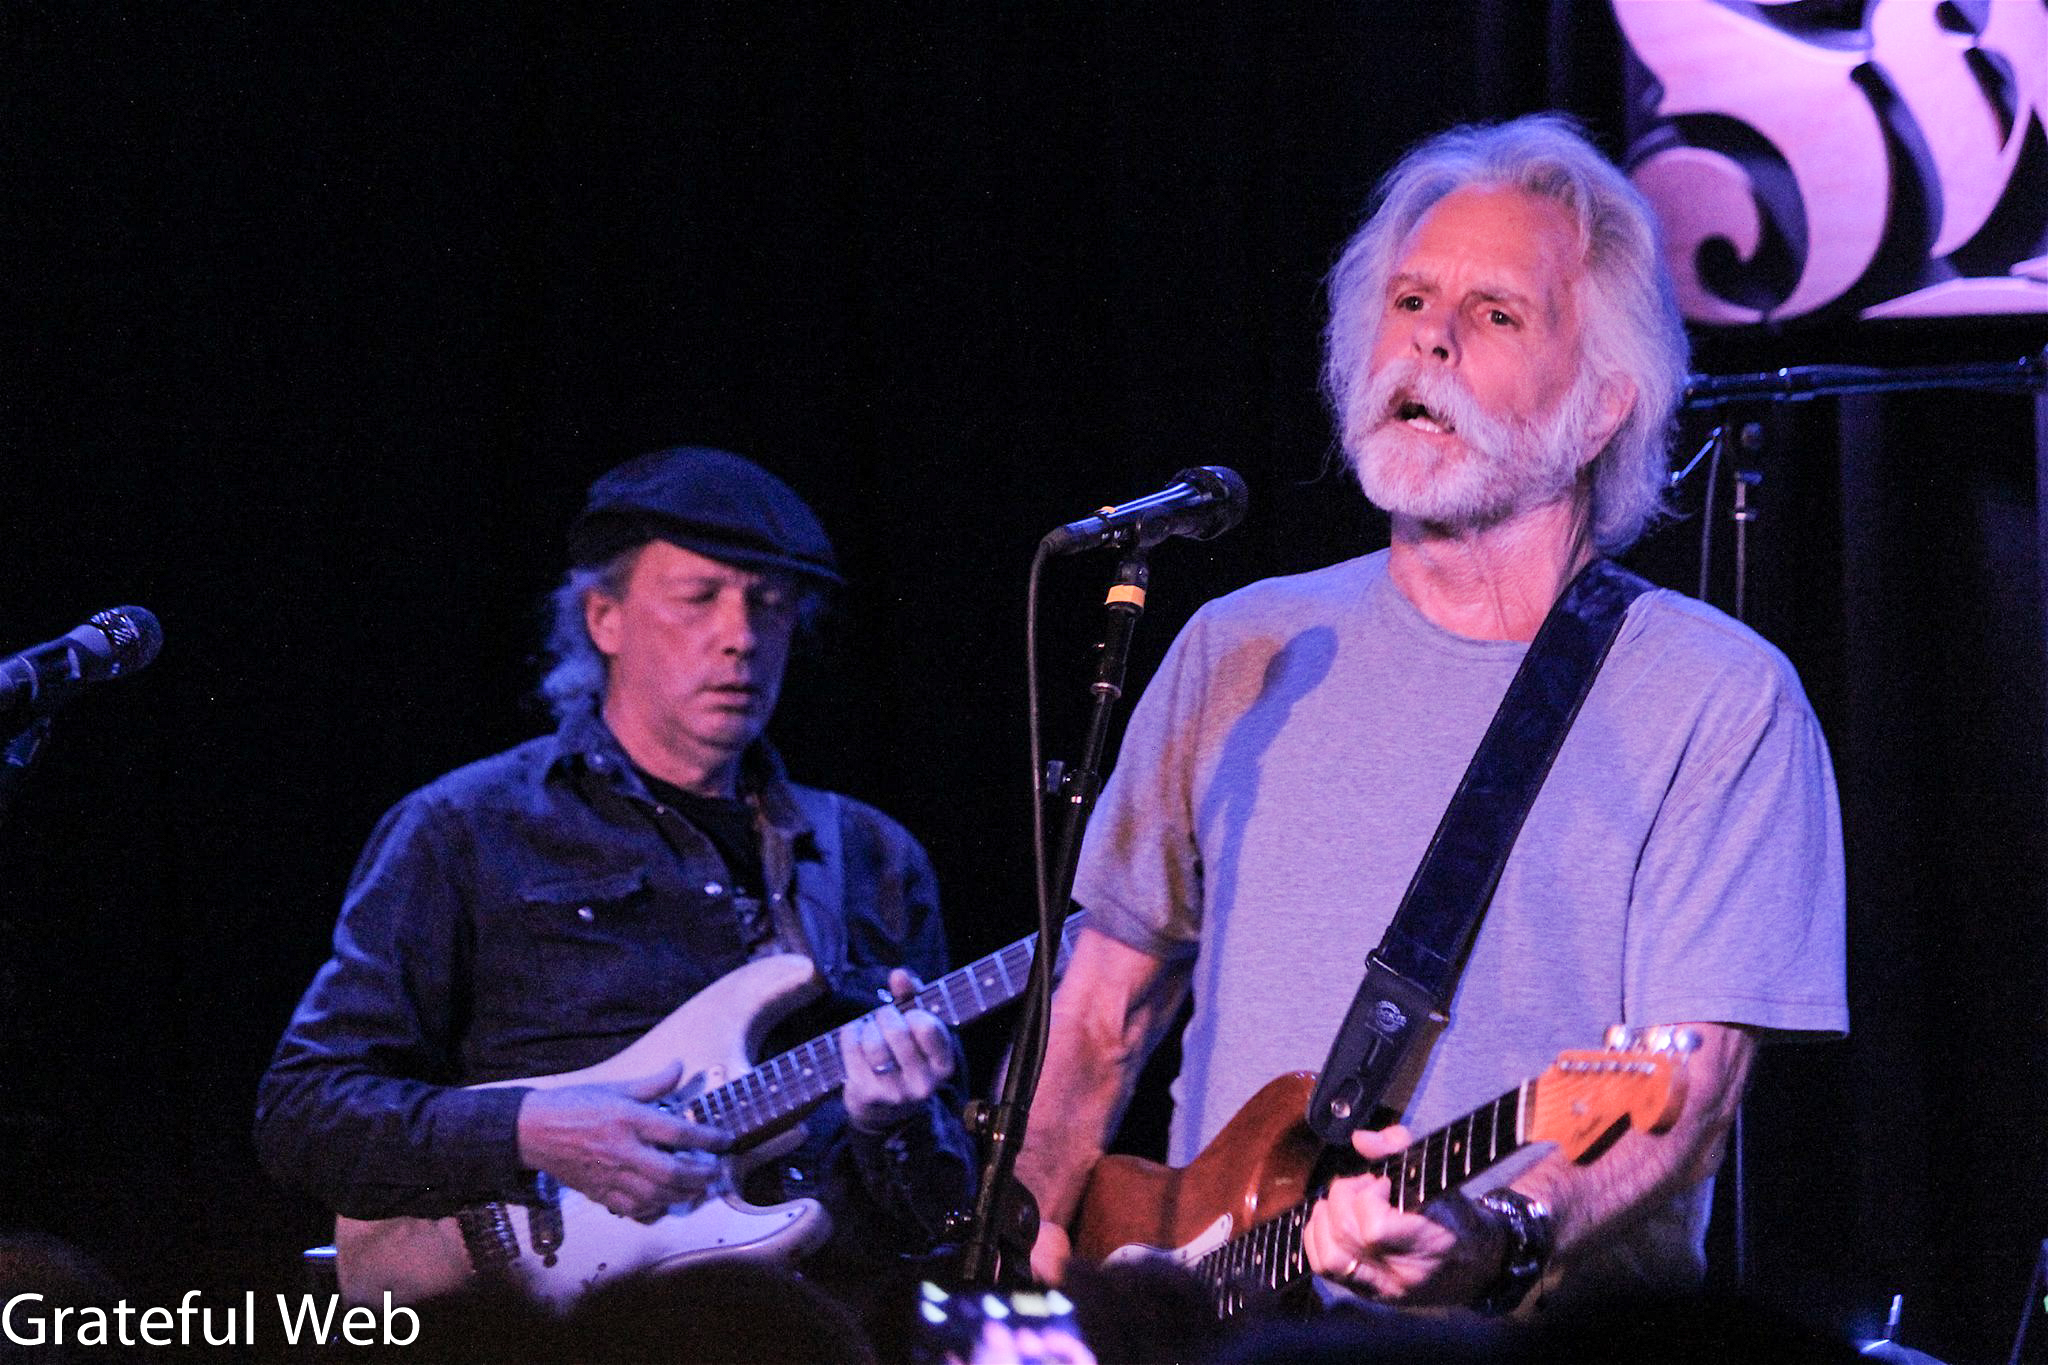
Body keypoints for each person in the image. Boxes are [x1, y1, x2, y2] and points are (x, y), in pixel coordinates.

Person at [1013, 115, 1847, 1317]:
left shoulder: (1718, 699)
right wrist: (1030, 1246)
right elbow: (1100, 1013)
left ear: (1604, 406)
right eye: (1408, 302)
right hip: (1220, 1322)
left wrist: (1499, 1228)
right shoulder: (1242, 646)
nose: (1429, 341)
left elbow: (1689, 1089)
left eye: (1494, 315)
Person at [255, 446, 975, 1305]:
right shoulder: (466, 829)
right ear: (605, 617)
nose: (740, 634)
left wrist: (892, 1122)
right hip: (547, 1324)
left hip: (816, 1320)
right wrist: (530, 1128)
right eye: (699, 597)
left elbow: (940, 1217)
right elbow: (304, 1111)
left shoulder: (873, 858)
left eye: (769, 605)